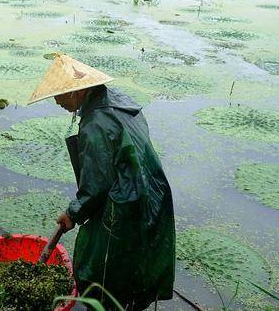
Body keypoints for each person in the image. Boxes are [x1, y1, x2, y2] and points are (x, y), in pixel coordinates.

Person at [27, 54, 176, 310]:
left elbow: (97, 184)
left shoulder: (96, 123)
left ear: (75, 92)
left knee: (98, 268)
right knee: (136, 264)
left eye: (59, 94)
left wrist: (73, 213)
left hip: (125, 203)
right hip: (152, 193)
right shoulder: (117, 100)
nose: (56, 101)